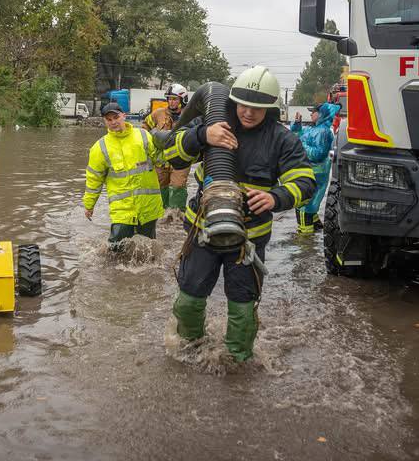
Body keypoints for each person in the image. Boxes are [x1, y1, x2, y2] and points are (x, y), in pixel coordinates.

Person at [163, 67, 316, 362]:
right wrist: (202, 135)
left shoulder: (282, 139)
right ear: (232, 100)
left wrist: (276, 197)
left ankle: (237, 362)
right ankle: (189, 350)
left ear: (270, 108)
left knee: (243, 310)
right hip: (203, 232)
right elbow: (170, 152)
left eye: (257, 108)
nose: (248, 112)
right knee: (189, 301)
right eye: (243, 104)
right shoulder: (213, 122)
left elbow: (306, 182)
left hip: (248, 241)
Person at [84, 102, 164, 250]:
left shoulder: (143, 136)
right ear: (104, 121)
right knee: (114, 250)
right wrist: (89, 205)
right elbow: (93, 180)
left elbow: (161, 160)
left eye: (116, 117)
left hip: (148, 206)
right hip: (122, 210)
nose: (113, 122)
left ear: (124, 116)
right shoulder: (99, 148)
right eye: (109, 119)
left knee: (148, 250)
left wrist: (168, 143)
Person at [291, 102, 340, 234]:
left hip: (313, 175)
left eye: (314, 111)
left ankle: (305, 245)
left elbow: (317, 154)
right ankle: (315, 235)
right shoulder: (315, 129)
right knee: (309, 207)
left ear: (322, 114)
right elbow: (297, 134)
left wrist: (300, 144)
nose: (311, 114)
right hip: (309, 173)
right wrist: (296, 124)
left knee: (303, 208)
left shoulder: (323, 132)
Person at [142, 83, 191, 211]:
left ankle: (176, 218)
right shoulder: (158, 114)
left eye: (174, 99)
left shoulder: (190, 116)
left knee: (178, 187)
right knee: (160, 190)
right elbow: (144, 128)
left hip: (180, 162)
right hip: (160, 162)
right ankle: (161, 216)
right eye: (169, 99)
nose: (171, 102)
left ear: (183, 100)